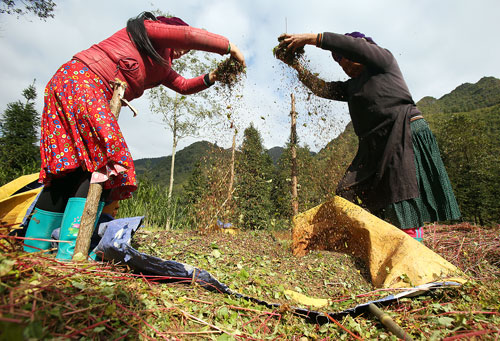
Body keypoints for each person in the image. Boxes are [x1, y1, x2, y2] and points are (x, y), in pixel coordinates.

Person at [23, 12, 245, 256]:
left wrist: (213, 76)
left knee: (70, 170)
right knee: (109, 163)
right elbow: (189, 36)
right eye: (182, 47)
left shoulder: (162, 67)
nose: (184, 52)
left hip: (67, 84)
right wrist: (229, 47)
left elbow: (183, 86)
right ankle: (68, 253)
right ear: (168, 31)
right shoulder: (146, 30)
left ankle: (35, 250)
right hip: (83, 80)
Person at [278, 31, 460, 241]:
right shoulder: (351, 87)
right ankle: (360, 240)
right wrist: (296, 67)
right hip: (374, 145)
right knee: (347, 191)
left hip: (402, 130)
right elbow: (323, 89)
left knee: (400, 191)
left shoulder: (383, 61)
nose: (343, 64)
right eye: (339, 62)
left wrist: (311, 39)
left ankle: (411, 246)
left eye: (345, 57)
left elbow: (354, 46)